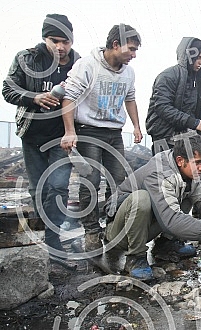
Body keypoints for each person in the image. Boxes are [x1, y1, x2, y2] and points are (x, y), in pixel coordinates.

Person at [104, 133, 201, 280]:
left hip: (145, 226)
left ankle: (167, 244)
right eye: (198, 163)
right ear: (180, 160)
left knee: (187, 192)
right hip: (120, 233)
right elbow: (171, 220)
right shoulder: (159, 173)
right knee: (141, 199)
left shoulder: (186, 171)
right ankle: (135, 257)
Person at [60, 24, 143, 252]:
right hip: (89, 129)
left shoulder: (128, 72)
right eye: (132, 49)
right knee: (91, 181)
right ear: (116, 45)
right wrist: (70, 131)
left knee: (119, 182)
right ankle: (91, 232)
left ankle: (111, 228)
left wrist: (136, 126)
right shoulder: (87, 65)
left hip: (114, 132)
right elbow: (69, 98)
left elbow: (130, 98)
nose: (134, 55)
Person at [2, 14, 80, 258]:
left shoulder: (78, 63)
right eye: (54, 40)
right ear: (45, 38)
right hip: (32, 134)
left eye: (65, 41)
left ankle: (53, 239)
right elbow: (8, 89)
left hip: (61, 136)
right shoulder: (27, 58)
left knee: (58, 186)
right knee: (38, 189)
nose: (60, 46)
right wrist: (34, 98)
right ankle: (47, 231)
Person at [145, 37, 201, 193]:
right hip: (165, 135)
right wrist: (195, 123)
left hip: (185, 135)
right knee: (170, 179)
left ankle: (200, 209)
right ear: (189, 56)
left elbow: (193, 110)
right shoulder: (168, 76)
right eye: (198, 58)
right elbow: (162, 107)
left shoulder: (193, 80)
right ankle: (168, 213)